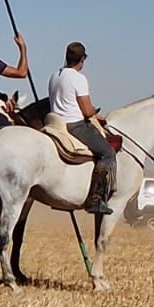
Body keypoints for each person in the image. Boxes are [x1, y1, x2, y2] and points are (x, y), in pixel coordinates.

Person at [47, 41, 115, 215]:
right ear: (82, 60)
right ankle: (95, 198)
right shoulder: (79, 78)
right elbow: (86, 110)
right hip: (74, 125)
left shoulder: (55, 76)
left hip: (54, 122)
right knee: (108, 153)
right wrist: (94, 112)